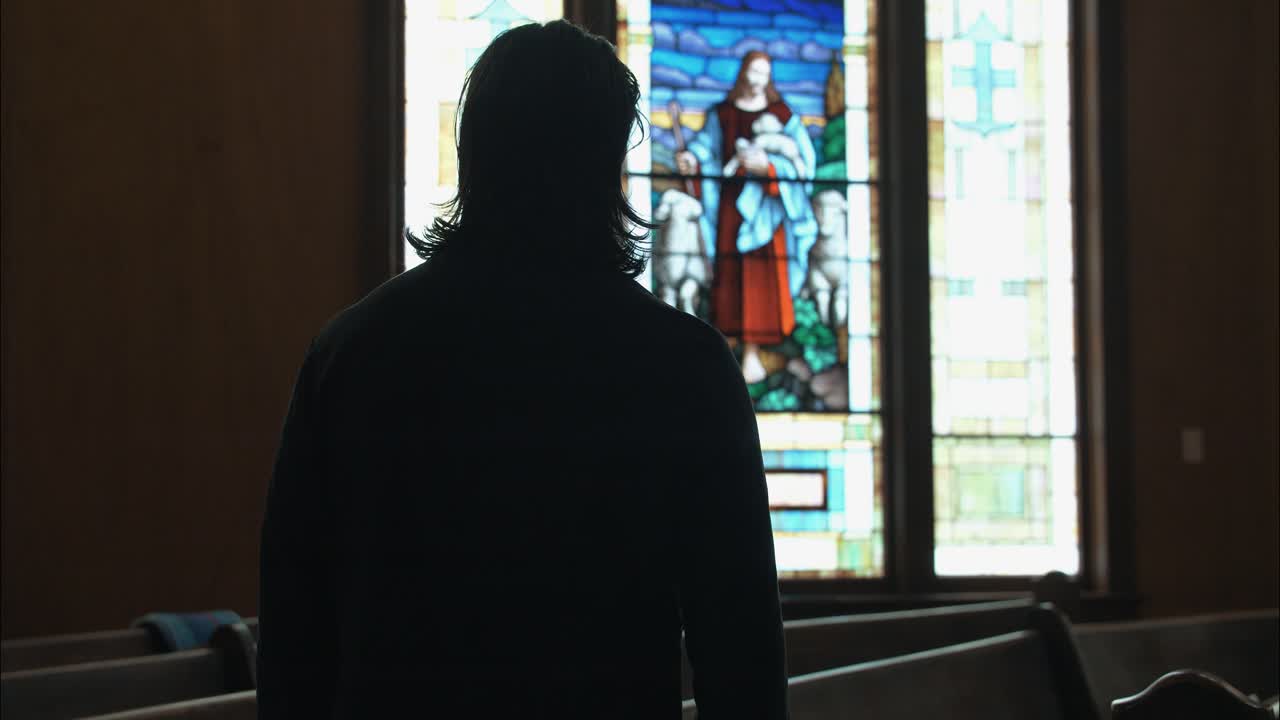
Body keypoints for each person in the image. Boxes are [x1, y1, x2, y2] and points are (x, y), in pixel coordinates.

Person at [256, 20, 788, 719]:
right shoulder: (685, 367)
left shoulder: (352, 354)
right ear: (607, 165)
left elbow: (295, 637)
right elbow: (740, 652)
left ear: (474, 153)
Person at [674, 51, 818, 384]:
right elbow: (704, 149)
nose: (757, 80)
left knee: (763, 281)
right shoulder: (721, 114)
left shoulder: (783, 117)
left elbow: (803, 164)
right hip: (730, 210)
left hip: (769, 211)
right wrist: (691, 161)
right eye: (753, 72)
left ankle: (754, 355)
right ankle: (726, 352)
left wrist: (768, 169)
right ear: (742, 73)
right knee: (731, 280)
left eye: (764, 74)